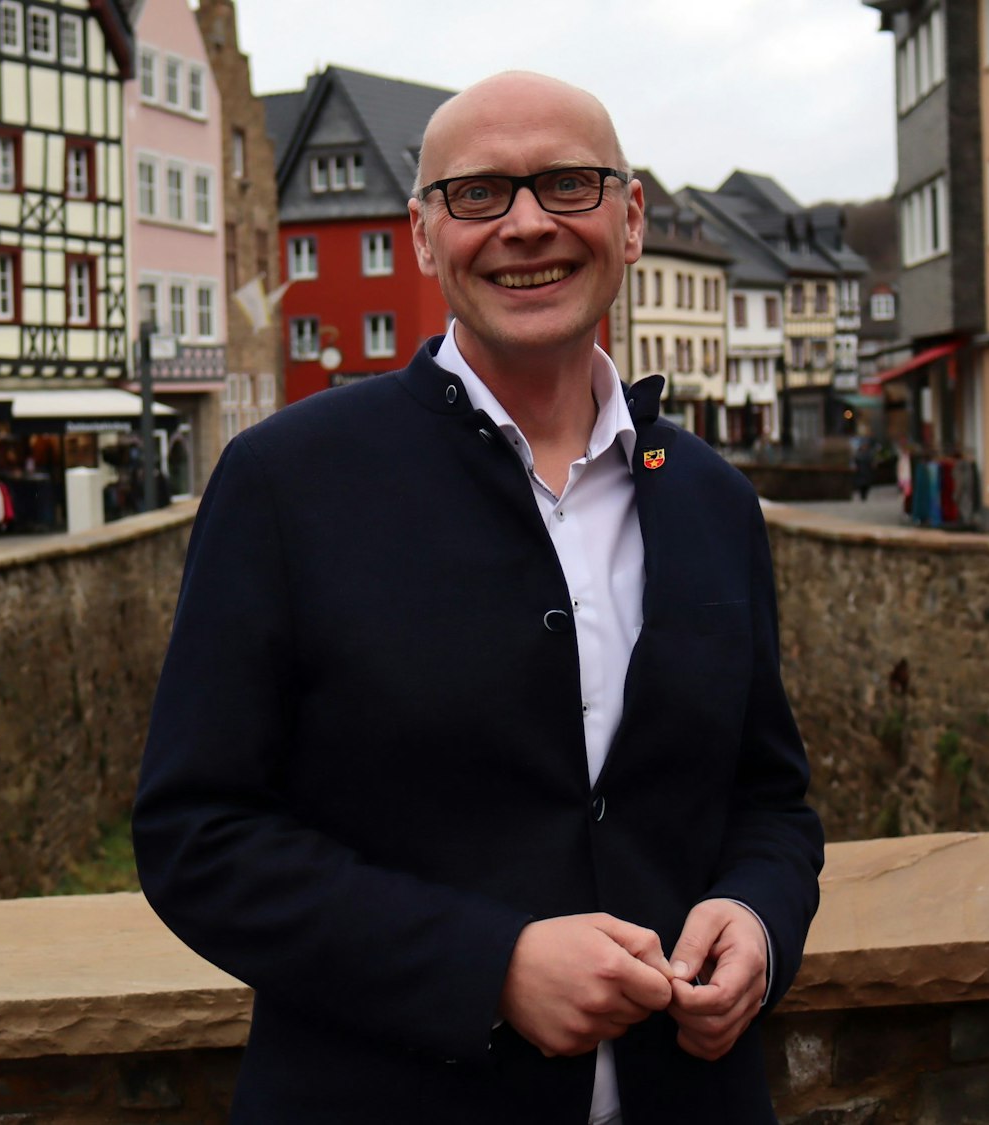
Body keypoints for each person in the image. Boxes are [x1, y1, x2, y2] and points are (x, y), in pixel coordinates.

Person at [132, 72, 823, 1124]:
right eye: (478, 194)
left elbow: (769, 801)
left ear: (631, 218)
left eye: (568, 184)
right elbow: (198, 835)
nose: (527, 224)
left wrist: (757, 916)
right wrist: (487, 965)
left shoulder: (712, 501)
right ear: (422, 234)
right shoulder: (286, 483)